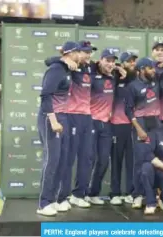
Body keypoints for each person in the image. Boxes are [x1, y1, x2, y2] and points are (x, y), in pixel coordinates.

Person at [37, 41, 80, 216]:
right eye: (78, 52)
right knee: (52, 160)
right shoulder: (56, 69)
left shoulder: (67, 68)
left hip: (63, 117)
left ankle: (53, 199)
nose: (81, 55)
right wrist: (53, 121)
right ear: (71, 53)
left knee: (61, 160)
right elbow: (46, 95)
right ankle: (43, 203)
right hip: (50, 118)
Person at [57, 40, 97, 209]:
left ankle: (78, 194)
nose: (87, 55)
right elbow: (50, 62)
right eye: (84, 52)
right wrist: (64, 60)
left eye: (90, 52)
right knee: (69, 158)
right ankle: (62, 197)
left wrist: (118, 68)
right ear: (76, 53)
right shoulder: (68, 66)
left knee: (87, 157)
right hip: (71, 115)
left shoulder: (90, 67)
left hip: (87, 117)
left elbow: (108, 65)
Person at [85, 49, 126, 205]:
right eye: (107, 60)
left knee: (103, 161)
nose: (110, 64)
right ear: (100, 60)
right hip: (91, 122)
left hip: (106, 124)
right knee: (88, 159)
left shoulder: (114, 75)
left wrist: (117, 68)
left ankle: (93, 193)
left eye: (112, 61)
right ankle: (80, 194)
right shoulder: (91, 73)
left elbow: (125, 71)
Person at [124, 57, 161, 208]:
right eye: (150, 68)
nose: (154, 70)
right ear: (142, 69)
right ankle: (137, 195)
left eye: (154, 68)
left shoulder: (156, 80)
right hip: (141, 123)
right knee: (140, 160)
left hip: (156, 124)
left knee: (156, 159)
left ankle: (156, 195)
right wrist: (138, 128)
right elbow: (128, 109)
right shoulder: (133, 86)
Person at [110, 52, 138, 205]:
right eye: (129, 61)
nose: (132, 64)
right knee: (116, 160)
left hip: (133, 126)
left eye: (134, 61)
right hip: (116, 125)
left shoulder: (137, 79)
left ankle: (131, 192)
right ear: (122, 63)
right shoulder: (114, 76)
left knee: (131, 161)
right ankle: (115, 193)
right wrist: (117, 69)